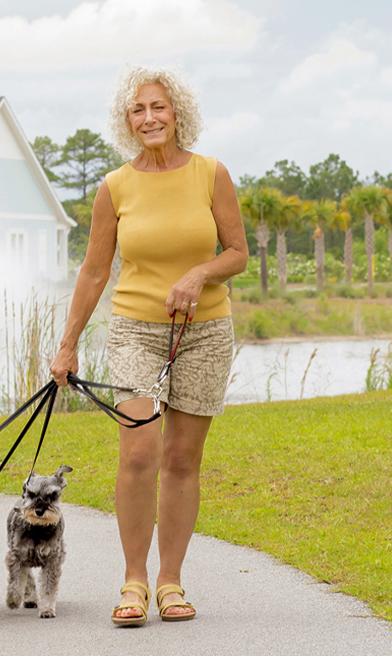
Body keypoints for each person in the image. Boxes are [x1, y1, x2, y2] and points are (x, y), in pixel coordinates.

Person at [50, 64, 249, 626]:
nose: (149, 117)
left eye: (158, 106)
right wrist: (67, 346)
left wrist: (199, 275)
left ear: (178, 112)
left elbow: (237, 253)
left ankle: (170, 581)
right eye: (138, 110)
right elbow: (93, 272)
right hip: (136, 326)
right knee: (140, 453)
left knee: (183, 459)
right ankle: (134, 580)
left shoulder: (211, 174)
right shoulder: (115, 187)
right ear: (127, 122)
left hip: (205, 331)